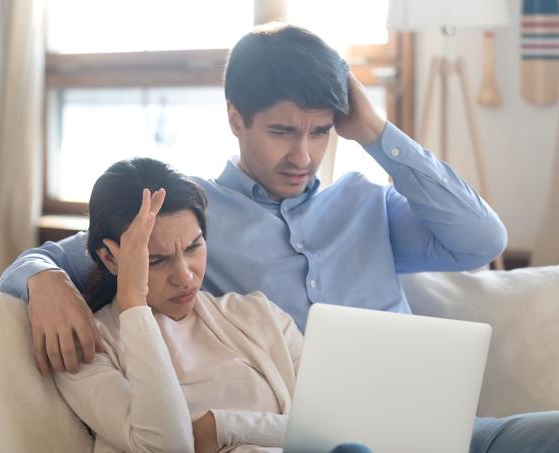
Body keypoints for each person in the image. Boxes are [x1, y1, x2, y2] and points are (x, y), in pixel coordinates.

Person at [0, 23, 559, 453]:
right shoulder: (187, 216)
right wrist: (46, 279)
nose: (303, 155)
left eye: (319, 131)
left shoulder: (366, 203)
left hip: (442, 429)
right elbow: (77, 255)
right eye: (283, 131)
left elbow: (481, 238)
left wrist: (374, 132)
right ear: (235, 119)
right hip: (308, 438)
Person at [55, 157, 372, 453]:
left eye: (194, 247)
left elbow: (331, 428)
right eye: (156, 260)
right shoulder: (87, 348)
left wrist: (222, 427)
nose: (185, 276)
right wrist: (134, 305)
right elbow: (166, 446)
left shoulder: (259, 315)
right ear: (111, 258)